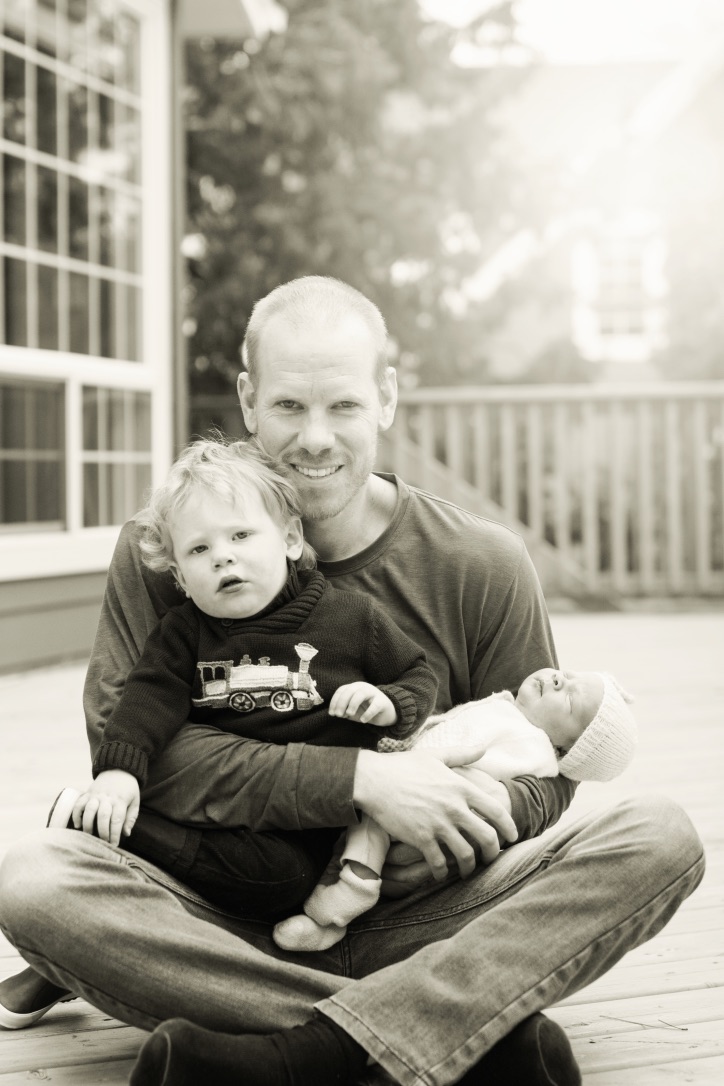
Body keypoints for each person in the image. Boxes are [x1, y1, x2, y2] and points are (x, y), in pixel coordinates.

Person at [0, 277, 705, 1086]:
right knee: (36, 879)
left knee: (659, 836)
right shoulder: (169, 549)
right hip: (225, 911)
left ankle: (299, 1052)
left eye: (342, 405)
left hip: (426, 914)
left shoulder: (482, 563)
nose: (314, 439)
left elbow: (545, 777)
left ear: (386, 398)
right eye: (288, 406)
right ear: (248, 400)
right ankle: (442, 1027)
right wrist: (366, 782)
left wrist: (451, 824)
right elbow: (130, 754)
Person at [65, 435, 437, 919]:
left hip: (315, 819)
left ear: (290, 540)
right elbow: (146, 700)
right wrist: (118, 772)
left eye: (240, 536)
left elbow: (416, 674)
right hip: (218, 810)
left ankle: (132, 854)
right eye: (199, 549)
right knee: (278, 882)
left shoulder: (352, 619)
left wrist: (390, 704)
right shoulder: (184, 633)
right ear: (180, 578)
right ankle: (104, 827)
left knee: (285, 881)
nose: (222, 556)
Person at [275, 668, 638, 952]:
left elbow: (472, 768)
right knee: (352, 834)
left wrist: (404, 769)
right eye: (568, 674)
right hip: (406, 782)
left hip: (420, 802)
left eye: (571, 699)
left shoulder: (533, 747)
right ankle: (330, 913)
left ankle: (336, 911)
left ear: (565, 750)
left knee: (364, 838)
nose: (560, 680)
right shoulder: (510, 712)